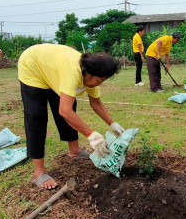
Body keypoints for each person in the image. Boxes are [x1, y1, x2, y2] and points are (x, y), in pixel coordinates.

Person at [18, 43, 125, 189]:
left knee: (69, 106)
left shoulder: (91, 76)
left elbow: (96, 103)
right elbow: (65, 111)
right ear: (88, 73)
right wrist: (91, 135)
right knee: (37, 116)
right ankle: (39, 172)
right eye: (99, 81)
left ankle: (74, 151)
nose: (99, 84)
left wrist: (113, 124)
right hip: (33, 66)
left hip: (54, 69)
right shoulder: (73, 73)